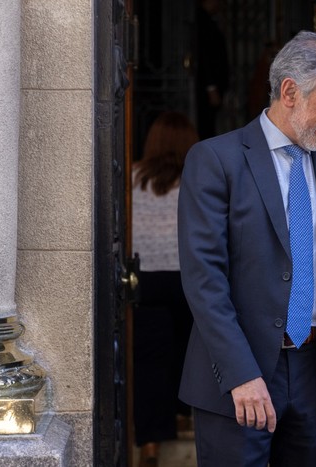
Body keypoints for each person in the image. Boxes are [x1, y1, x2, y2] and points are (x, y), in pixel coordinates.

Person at [177, 30, 316, 467]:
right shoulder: (215, 160)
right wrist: (242, 373)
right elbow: (205, 282)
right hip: (236, 376)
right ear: (290, 92)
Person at [132, 111, 199, 467]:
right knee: (190, 351)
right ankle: (185, 413)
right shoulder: (196, 179)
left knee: (148, 362)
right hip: (188, 279)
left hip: (145, 280)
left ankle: (150, 443)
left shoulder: (130, 177)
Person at [195, 0, 229, 139]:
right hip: (206, 87)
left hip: (211, 85)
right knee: (205, 124)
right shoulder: (202, 21)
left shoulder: (208, 20)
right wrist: (211, 87)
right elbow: (205, 55)